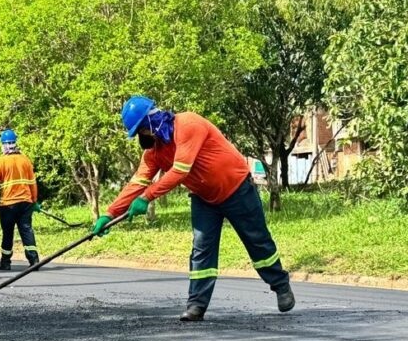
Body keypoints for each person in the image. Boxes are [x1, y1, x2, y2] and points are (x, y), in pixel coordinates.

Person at [93, 95, 295, 322]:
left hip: (238, 189)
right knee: (201, 249)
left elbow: (180, 170)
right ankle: (196, 305)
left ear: (151, 120)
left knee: (257, 240)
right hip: (204, 198)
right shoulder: (154, 153)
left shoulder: (188, 124)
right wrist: (109, 214)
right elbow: (137, 182)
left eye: (141, 129)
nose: (142, 135)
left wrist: (147, 197)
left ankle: (281, 286)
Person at [0, 129, 40, 270]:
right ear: (15, 143)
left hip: (8, 204)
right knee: (26, 230)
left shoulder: (1, 162)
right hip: (26, 203)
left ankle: (5, 262)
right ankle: (34, 260)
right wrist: (34, 201)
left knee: (8, 233)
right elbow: (33, 183)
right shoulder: (25, 160)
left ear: (3, 144)